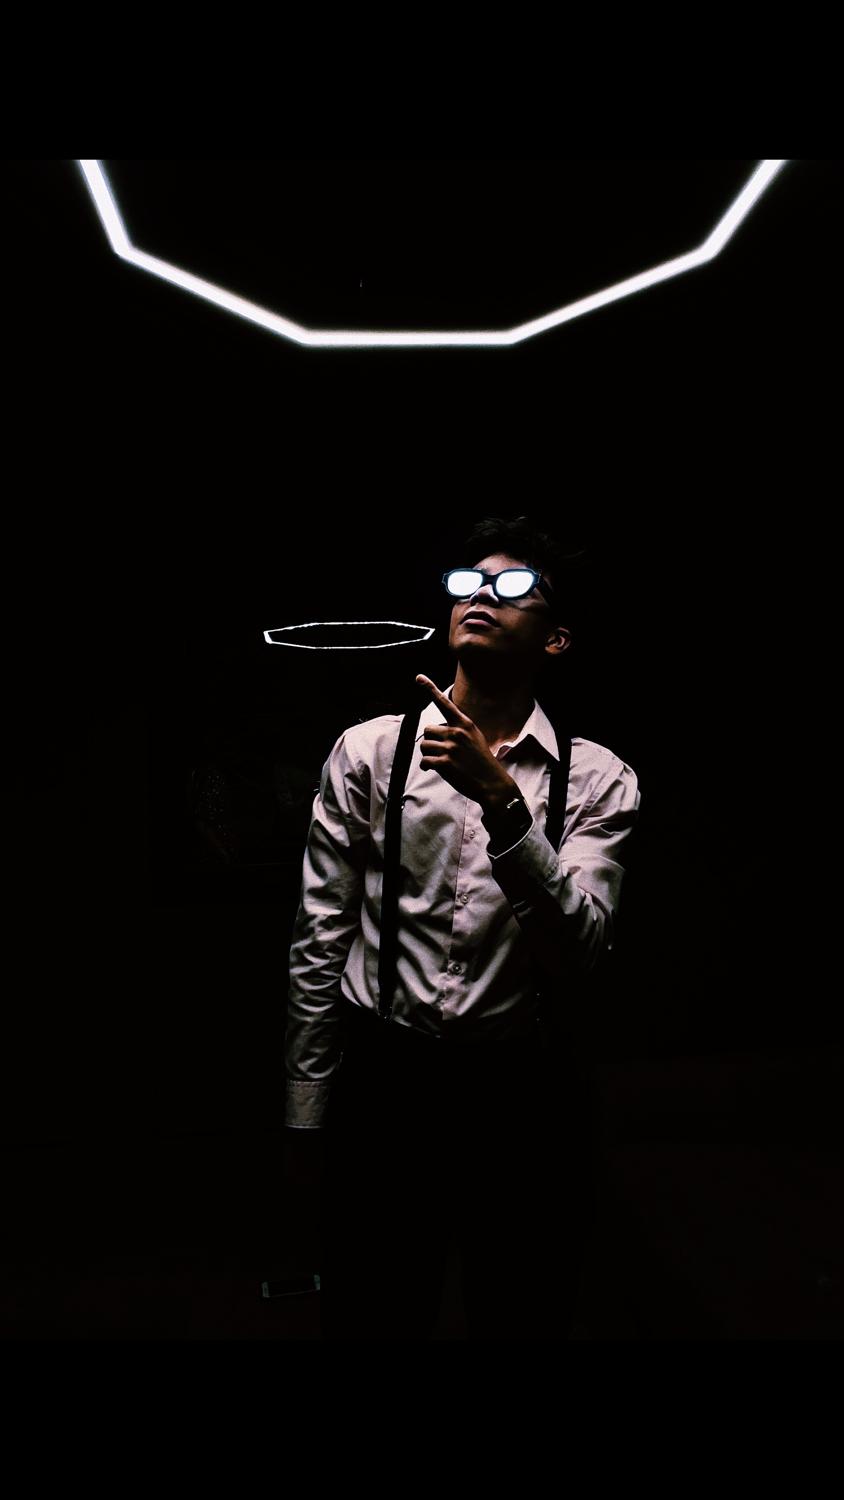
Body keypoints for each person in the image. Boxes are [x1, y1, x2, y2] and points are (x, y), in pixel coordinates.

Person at [282, 516, 640, 1339]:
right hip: (387, 1082)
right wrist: (306, 1112)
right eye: (469, 582)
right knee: (374, 1307)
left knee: (521, 1308)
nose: (482, 594)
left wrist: (505, 807)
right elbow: (319, 939)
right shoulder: (371, 754)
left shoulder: (597, 778)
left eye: (514, 586)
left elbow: (581, 952)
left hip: (521, 1094)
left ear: (556, 639)